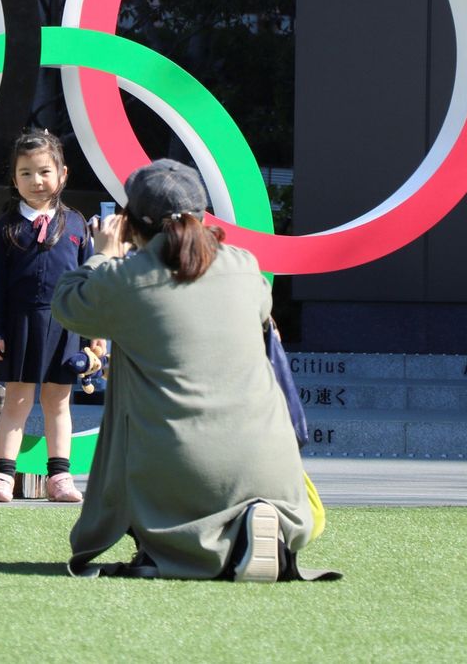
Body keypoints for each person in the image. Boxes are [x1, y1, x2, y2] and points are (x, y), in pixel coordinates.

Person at [51, 159, 321, 581]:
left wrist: (102, 255)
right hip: (272, 467)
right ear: (202, 215)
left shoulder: (126, 278)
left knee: (160, 450)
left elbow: (67, 303)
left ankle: (194, 545)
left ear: (130, 223)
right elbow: (262, 313)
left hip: (184, 467)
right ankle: (253, 524)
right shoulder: (245, 266)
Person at [0, 128, 94, 504]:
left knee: (59, 400)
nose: (36, 181)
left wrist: (93, 334)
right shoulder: (7, 226)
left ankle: (60, 477)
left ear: (63, 174)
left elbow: (88, 281)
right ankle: (2, 475)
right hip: (18, 324)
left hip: (66, 325)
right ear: (14, 178)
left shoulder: (77, 224)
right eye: (26, 173)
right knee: (16, 399)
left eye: (45, 171)